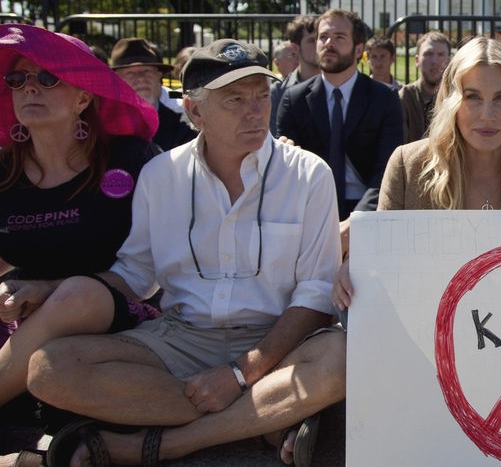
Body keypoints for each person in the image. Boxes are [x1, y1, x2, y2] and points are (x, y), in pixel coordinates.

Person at [27, 39, 346, 467]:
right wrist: (48, 288)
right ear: (194, 111)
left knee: (341, 359)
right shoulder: (162, 175)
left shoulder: (308, 173)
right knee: (48, 369)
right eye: (235, 100)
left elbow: (315, 294)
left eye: (260, 97)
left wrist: (238, 372)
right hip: (181, 338)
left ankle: (158, 444)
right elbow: (136, 274)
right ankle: (269, 418)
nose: (255, 112)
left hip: (276, 339)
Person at [0, 25, 160, 456]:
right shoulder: (4, 170)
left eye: (47, 78)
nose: (29, 88)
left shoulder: (130, 158)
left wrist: (45, 290)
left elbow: (163, 259)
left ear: (83, 97)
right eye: (17, 79)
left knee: (74, 294)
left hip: (117, 304)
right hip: (24, 319)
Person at [331, 37, 501, 312]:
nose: (487, 114)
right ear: (452, 102)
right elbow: (383, 257)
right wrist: (357, 267)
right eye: (472, 96)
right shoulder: (407, 166)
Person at [276, 9, 403, 223]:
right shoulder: (294, 99)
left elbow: (387, 171)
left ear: (359, 49)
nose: (328, 43)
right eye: (323, 37)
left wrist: (356, 222)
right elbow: (287, 167)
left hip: (367, 209)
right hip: (310, 209)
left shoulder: (384, 99)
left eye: (339, 37)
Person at [110, 37, 197, 151]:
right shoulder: (102, 127)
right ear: (117, 80)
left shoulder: (184, 127)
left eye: (147, 71)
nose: (140, 78)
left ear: (159, 75)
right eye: (130, 73)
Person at [269, 15, 319, 135]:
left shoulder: (337, 88)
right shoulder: (277, 93)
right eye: (312, 41)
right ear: (295, 48)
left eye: (322, 38)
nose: (320, 45)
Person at [399, 31, 451, 142]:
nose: (434, 61)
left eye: (441, 54)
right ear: (417, 60)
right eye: (428, 54)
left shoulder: (456, 98)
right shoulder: (405, 98)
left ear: (449, 61)